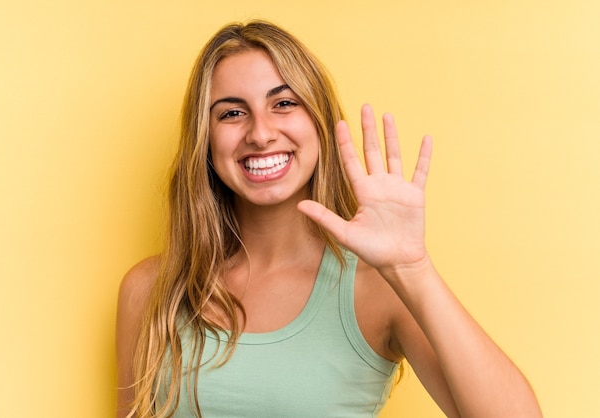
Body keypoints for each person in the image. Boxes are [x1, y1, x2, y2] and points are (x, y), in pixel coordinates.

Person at [116, 20, 542, 418]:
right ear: (205, 142)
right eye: (231, 112)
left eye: (283, 103)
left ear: (319, 122)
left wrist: (413, 269)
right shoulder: (152, 291)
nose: (260, 133)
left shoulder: (378, 288)